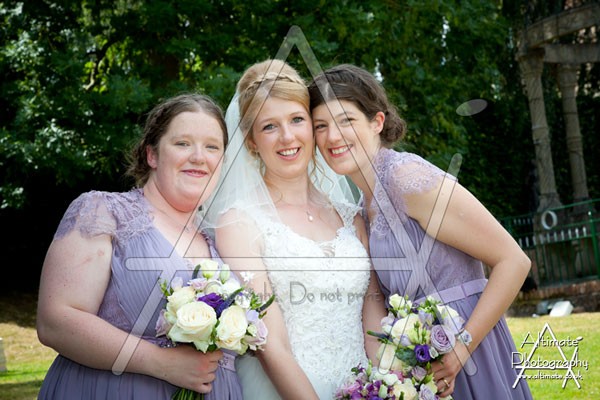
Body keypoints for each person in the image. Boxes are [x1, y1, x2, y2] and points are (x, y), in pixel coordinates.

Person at [308, 64, 533, 400]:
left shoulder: (406, 179)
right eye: (321, 126)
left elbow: (514, 261)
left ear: (377, 122)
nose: (332, 137)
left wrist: (461, 348)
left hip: (471, 351)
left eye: (346, 120)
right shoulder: (362, 205)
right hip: (422, 367)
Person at [36, 93, 243, 399]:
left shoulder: (218, 241)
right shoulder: (103, 212)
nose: (199, 156)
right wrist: (161, 363)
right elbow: (56, 321)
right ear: (152, 155)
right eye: (183, 143)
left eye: (212, 147)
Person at [203, 59, 386, 399]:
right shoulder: (239, 223)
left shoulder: (351, 217)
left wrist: (383, 385)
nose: (287, 137)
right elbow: (269, 343)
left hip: (360, 386)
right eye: (269, 126)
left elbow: (372, 310)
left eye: (297, 120)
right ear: (251, 141)